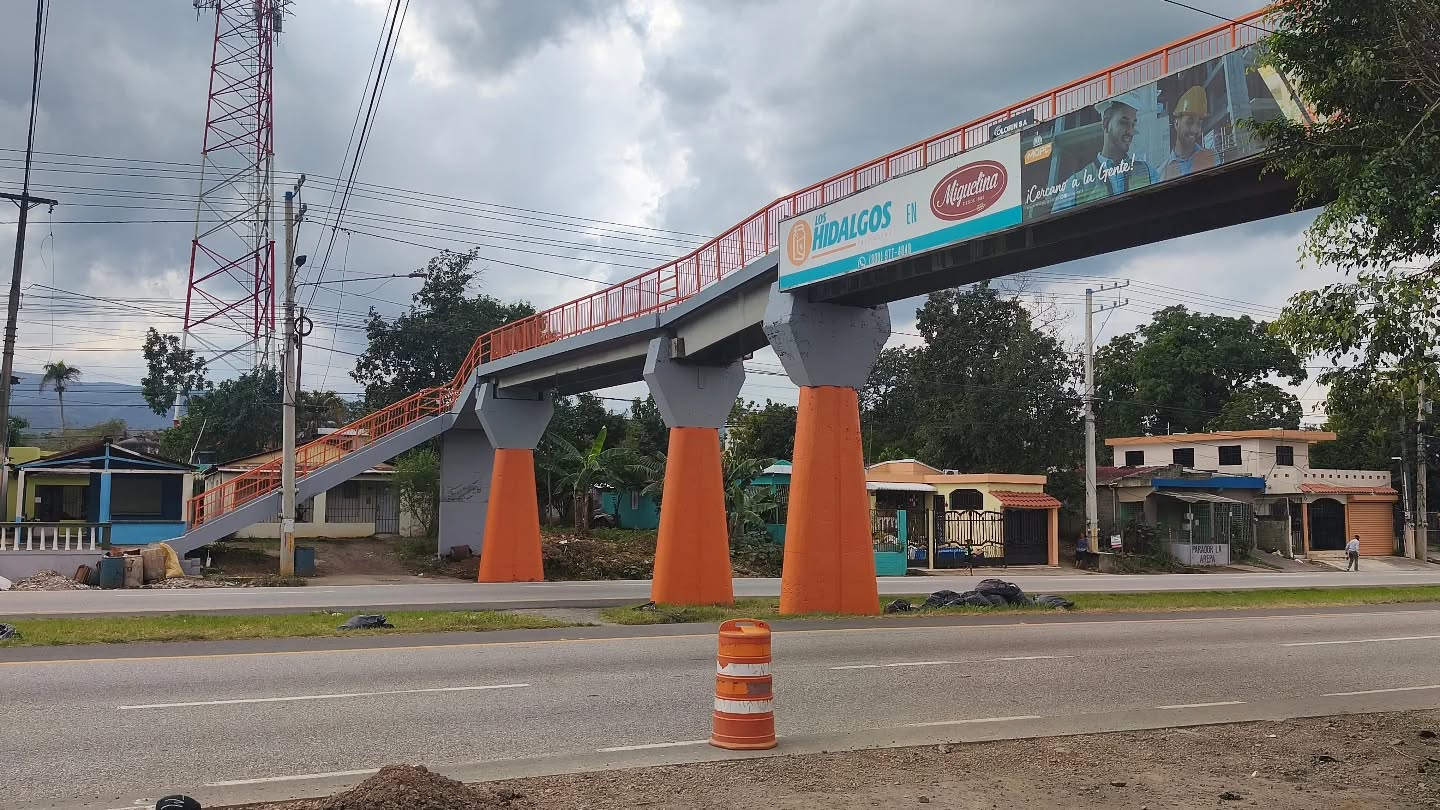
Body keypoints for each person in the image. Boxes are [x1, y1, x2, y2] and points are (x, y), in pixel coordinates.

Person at [1051, 93, 1157, 212]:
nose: (1131, 131)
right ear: (1106, 123)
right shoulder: (1076, 184)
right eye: (1124, 122)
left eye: (1133, 124)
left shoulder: (1148, 172)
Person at [1159, 85, 1219, 181]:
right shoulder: (1162, 173)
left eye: (1199, 123)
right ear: (1176, 123)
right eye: (1189, 122)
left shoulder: (1212, 157)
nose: (1195, 129)